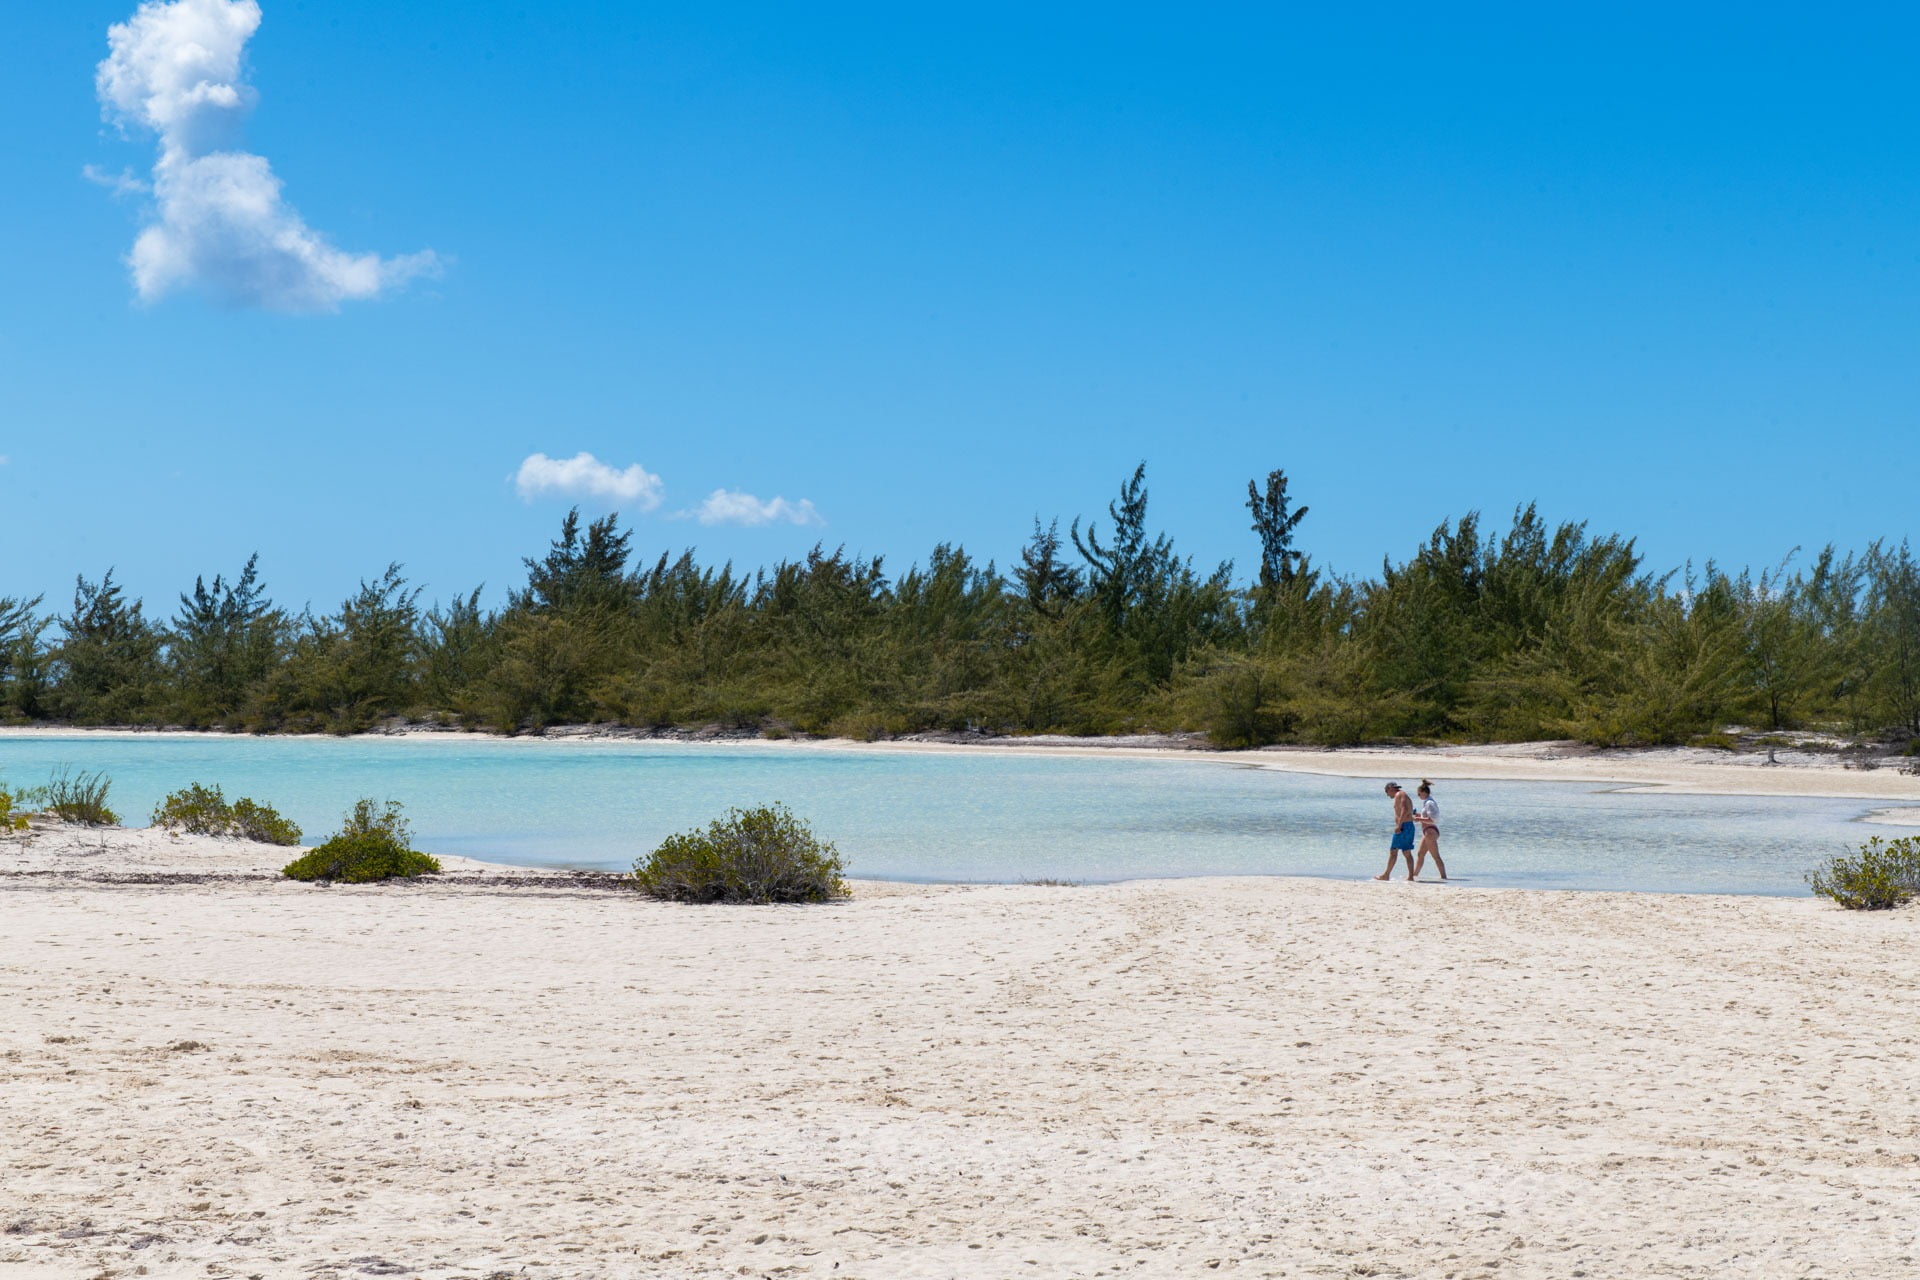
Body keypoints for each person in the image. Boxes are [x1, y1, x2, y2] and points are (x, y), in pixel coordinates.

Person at [1374, 782, 1417, 881]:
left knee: (1393, 851)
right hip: (1408, 826)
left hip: (1404, 827)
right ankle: (1410, 877)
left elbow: (1404, 809)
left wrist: (1399, 825)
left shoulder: (1399, 794)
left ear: (1391, 789)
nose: (1387, 794)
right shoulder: (1402, 795)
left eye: (1386, 791)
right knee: (1406, 852)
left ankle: (1386, 875)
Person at [1409, 779, 1447, 881]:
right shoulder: (1427, 802)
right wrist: (1417, 816)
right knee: (1420, 854)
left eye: (1419, 794)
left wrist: (1418, 819)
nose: (1418, 796)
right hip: (1427, 831)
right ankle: (1413, 876)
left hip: (1430, 831)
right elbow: (1426, 816)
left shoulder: (1429, 803)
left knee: (1435, 856)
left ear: (1425, 792)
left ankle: (1444, 876)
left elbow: (1433, 819)